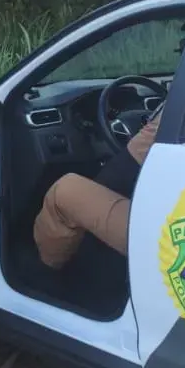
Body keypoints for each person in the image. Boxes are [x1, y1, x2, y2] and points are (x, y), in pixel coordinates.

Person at [32, 106, 161, 269]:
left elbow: (133, 158)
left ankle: (43, 275)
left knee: (65, 192)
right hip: (184, 211)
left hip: (170, 234)